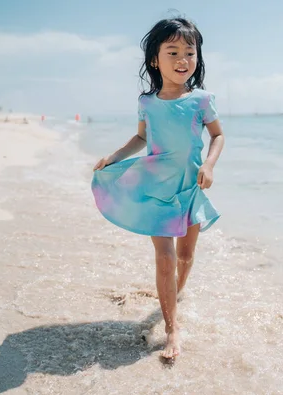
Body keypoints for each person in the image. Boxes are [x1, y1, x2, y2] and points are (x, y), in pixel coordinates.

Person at [91, 17, 225, 359]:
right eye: (173, 51)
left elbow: (218, 136)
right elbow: (141, 137)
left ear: (197, 58)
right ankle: (171, 329)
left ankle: (176, 293)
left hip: (188, 190)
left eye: (189, 52)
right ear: (155, 59)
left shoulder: (201, 100)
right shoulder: (147, 102)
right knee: (165, 259)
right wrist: (114, 156)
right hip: (156, 190)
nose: (183, 59)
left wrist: (209, 165)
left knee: (185, 256)